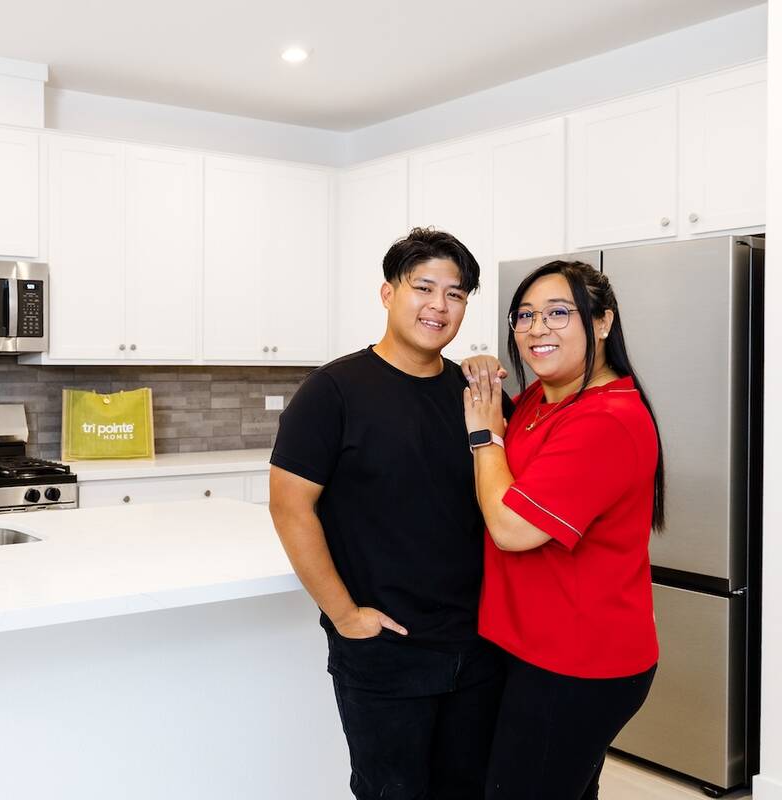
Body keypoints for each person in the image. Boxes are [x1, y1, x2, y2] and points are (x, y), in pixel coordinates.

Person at [269, 227, 506, 800]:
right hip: (386, 649)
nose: (438, 305)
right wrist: (346, 616)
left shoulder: (475, 395)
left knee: (469, 789)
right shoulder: (333, 391)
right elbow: (289, 507)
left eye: (455, 294)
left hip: (479, 644)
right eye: (423, 287)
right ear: (388, 293)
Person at [461, 260, 663, 800]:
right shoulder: (544, 396)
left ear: (602, 322)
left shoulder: (606, 419)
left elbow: (510, 528)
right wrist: (481, 372)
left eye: (557, 313)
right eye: (524, 316)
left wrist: (484, 436)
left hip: (577, 661)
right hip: (535, 645)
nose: (536, 329)